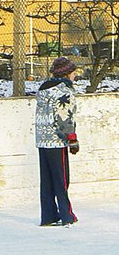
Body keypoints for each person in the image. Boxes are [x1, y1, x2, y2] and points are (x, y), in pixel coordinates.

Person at [35, 56, 80, 227]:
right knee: (61, 180)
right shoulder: (64, 92)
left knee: (46, 182)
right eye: (73, 72)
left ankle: (48, 216)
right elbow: (64, 117)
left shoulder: (44, 89)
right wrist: (72, 139)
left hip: (42, 140)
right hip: (57, 140)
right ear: (66, 74)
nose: (74, 76)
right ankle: (66, 215)